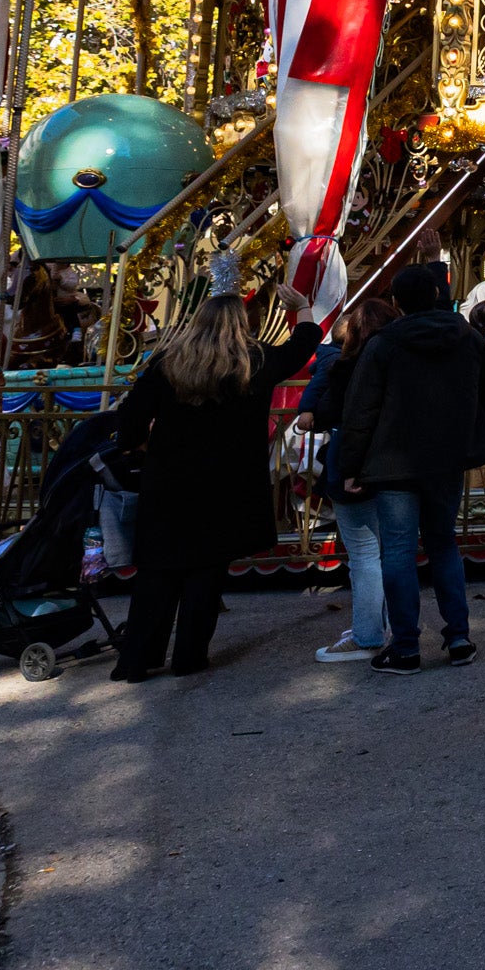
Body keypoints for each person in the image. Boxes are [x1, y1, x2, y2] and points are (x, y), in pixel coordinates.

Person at [108, 263, 322, 681]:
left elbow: (130, 419)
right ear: (242, 324)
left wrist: (141, 444)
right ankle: (189, 656)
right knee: (206, 569)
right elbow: (303, 345)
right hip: (227, 482)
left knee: (158, 570)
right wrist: (303, 308)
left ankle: (136, 659)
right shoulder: (254, 362)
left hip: (169, 479)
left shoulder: (168, 362)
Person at [337, 260, 485, 675]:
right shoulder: (468, 337)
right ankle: (459, 637)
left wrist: (350, 464)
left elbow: (362, 410)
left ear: (396, 303)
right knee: (443, 543)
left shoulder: (384, 344)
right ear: (435, 295)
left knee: (397, 550)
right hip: (446, 458)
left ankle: (407, 646)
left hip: (394, 461)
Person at [296, 296, 401, 664]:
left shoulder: (348, 367)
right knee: (387, 551)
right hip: (395, 464)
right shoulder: (402, 364)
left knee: (363, 553)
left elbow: (330, 414)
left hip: (355, 466)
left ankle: (368, 634)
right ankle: (381, 623)